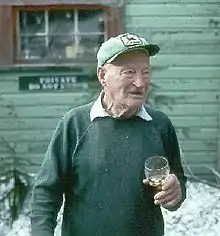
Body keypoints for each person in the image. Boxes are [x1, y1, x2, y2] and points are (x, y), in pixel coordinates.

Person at [30, 33, 187, 236]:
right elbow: (46, 193)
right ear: (102, 75)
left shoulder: (160, 125)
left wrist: (176, 192)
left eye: (145, 72)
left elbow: (177, 182)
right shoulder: (75, 123)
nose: (140, 83)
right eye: (129, 72)